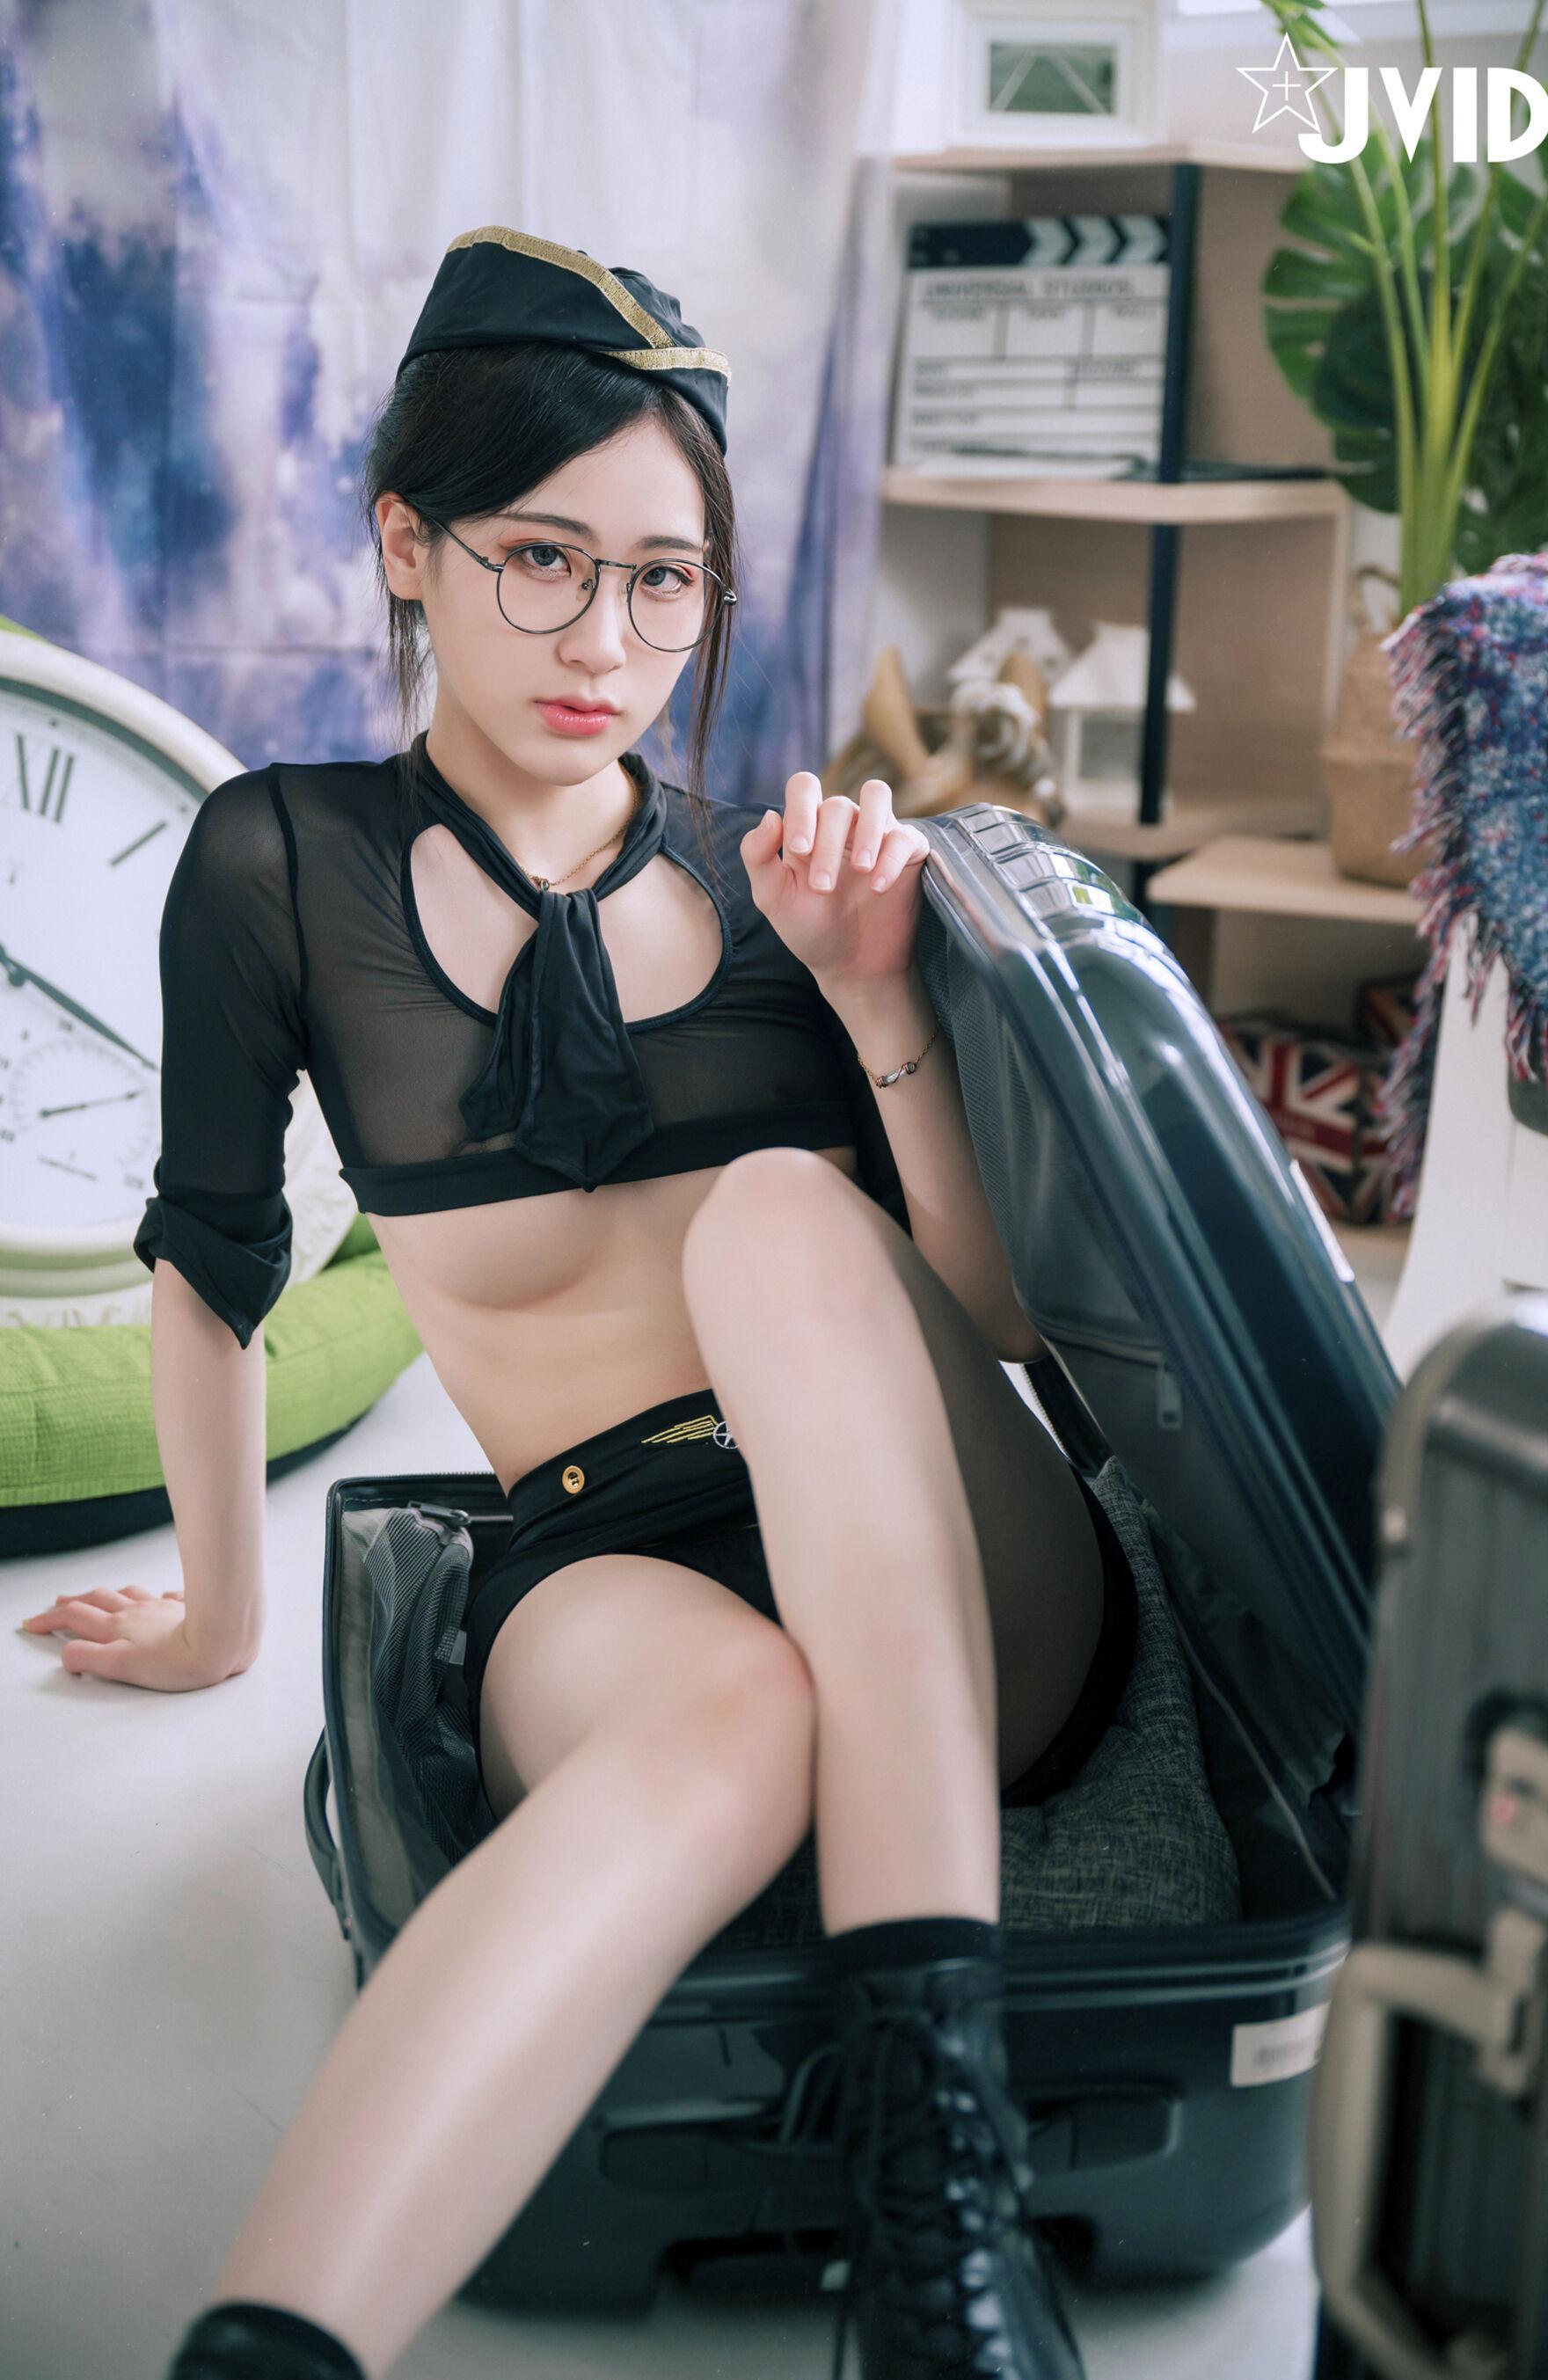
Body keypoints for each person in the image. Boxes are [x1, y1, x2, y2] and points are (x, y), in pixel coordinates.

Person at [22, 230, 1136, 2380]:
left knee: (780, 1218)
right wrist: (223, 1622)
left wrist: (877, 1002)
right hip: (611, 1558)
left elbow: (995, 1328)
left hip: (967, 1576)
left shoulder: (777, 885)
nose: (604, 642)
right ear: (407, 547)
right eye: (540, 559)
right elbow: (213, 1265)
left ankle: (943, 2194)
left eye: (663, 580)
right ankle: (270, 2343)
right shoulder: (281, 866)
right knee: (735, 1714)